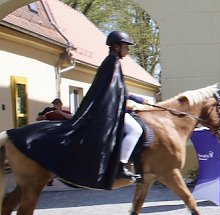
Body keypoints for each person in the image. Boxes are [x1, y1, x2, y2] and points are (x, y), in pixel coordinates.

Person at [7, 30, 144, 189]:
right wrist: (127, 103)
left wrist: (132, 99)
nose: (127, 50)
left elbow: (115, 90)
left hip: (112, 109)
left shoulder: (111, 62)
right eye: (125, 46)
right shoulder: (113, 63)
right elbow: (113, 93)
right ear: (116, 46)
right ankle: (121, 166)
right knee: (136, 130)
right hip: (110, 112)